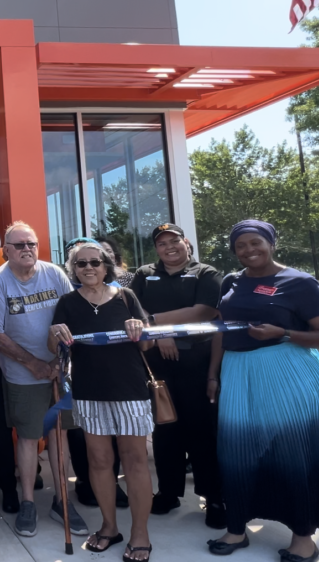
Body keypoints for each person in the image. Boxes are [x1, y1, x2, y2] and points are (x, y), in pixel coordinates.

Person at [207, 220, 319, 561]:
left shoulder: (298, 282)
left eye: (256, 243)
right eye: (241, 246)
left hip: (286, 370)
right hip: (238, 372)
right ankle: (237, 528)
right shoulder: (231, 281)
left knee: (294, 451)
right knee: (236, 449)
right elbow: (220, 330)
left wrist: (282, 333)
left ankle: (303, 537)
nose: (249, 250)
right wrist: (213, 374)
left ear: (271, 243)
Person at [49, 240, 154, 560]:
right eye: (81, 264)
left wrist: (140, 330)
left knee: (135, 460)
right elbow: (54, 349)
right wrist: (55, 334)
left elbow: (147, 346)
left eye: (95, 262)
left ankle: (140, 533)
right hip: (89, 391)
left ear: (107, 265)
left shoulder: (126, 296)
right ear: (74, 270)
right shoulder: (67, 302)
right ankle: (109, 527)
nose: (89, 268)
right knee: (98, 461)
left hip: (130, 390)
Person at [0, 222, 86, 537]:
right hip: (22, 373)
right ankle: (28, 502)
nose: (27, 249)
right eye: (19, 245)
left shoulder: (54, 273)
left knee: (59, 435)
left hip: (59, 370)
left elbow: (74, 314)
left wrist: (60, 360)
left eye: (32, 243)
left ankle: (61, 500)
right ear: (6, 251)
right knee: (28, 437)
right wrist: (34, 364)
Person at [130, 223, 227, 527]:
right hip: (156, 364)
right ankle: (168, 492)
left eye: (174, 241)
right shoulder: (145, 274)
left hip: (196, 361)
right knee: (165, 429)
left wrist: (157, 324)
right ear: (156, 249)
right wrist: (158, 335)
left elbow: (205, 311)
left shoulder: (206, 273)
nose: (169, 247)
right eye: (162, 243)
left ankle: (214, 497)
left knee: (202, 431)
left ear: (186, 243)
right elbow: (132, 310)